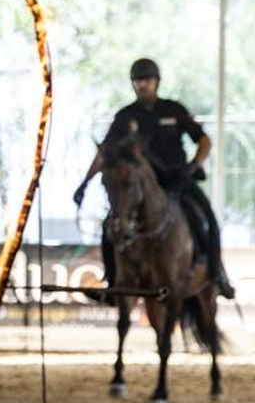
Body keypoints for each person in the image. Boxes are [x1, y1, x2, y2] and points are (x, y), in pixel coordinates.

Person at [73, 57, 235, 299]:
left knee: (207, 218)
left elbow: (204, 140)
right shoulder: (125, 117)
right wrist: (85, 184)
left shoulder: (174, 110)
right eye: (138, 81)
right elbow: (104, 153)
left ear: (156, 82)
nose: (143, 85)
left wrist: (194, 165)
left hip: (178, 181)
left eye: (147, 80)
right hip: (139, 189)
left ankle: (217, 273)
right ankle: (111, 282)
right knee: (112, 226)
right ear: (133, 85)